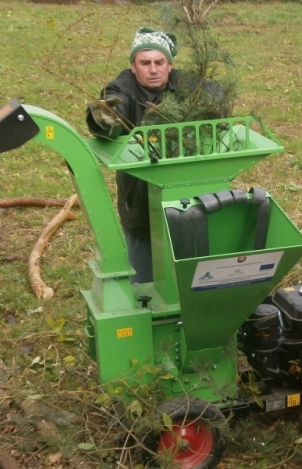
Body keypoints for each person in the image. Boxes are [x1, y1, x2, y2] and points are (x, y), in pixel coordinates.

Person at [87, 27, 226, 283]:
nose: (153, 69)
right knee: (145, 278)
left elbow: (217, 94)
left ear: (169, 65)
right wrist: (106, 118)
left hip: (185, 187)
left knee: (190, 262)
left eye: (159, 62)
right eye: (145, 62)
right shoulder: (124, 88)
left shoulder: (185, 82)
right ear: (133, 65)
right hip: (141, 196)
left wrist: (214, 106)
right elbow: (112, 106)